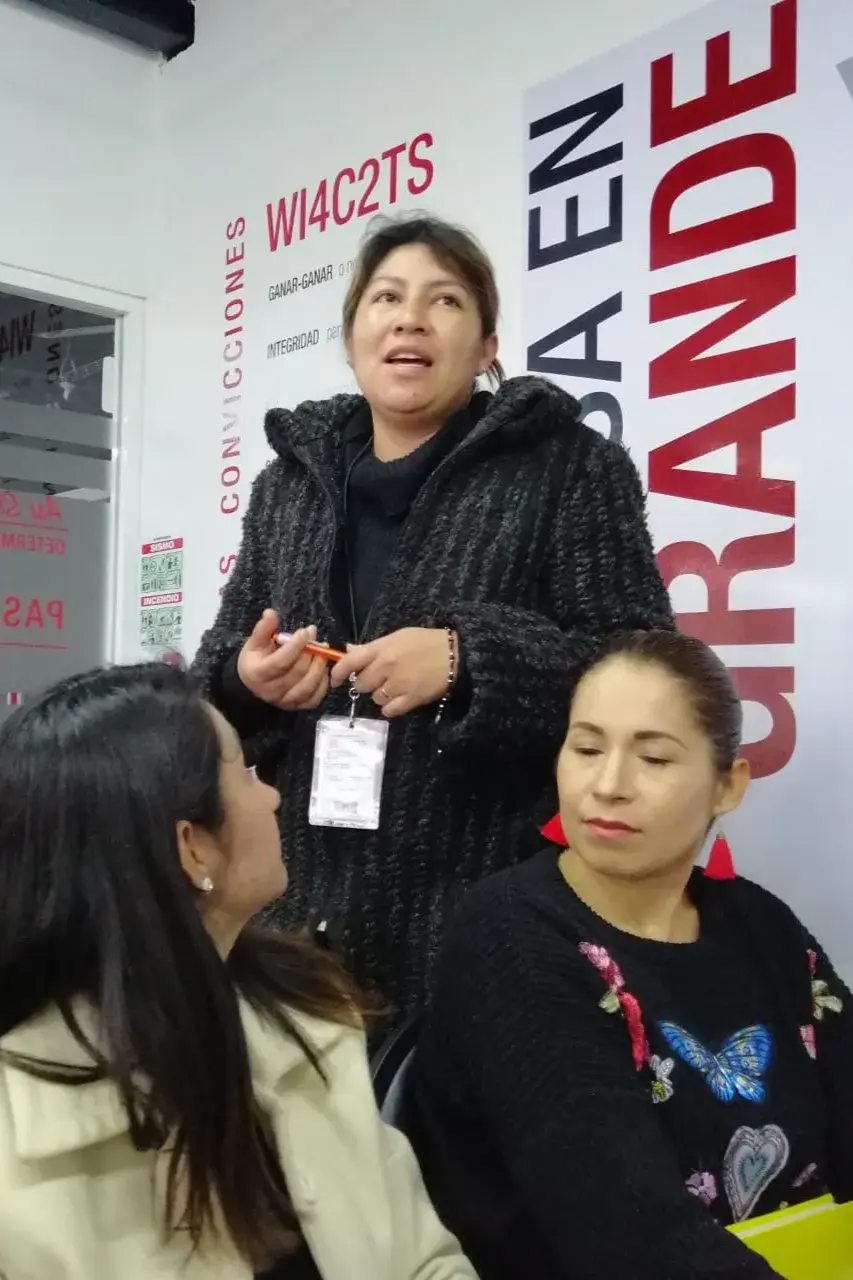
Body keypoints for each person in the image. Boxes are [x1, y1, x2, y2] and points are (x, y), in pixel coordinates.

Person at [192, 212, 674, 1027]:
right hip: (295, 914)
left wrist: (466, 663)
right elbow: (221, 655)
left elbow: (643, 671)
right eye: (385, 298)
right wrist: (247, 679)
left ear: (487, 346)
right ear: (351, 338)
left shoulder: (569, 467)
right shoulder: (289, 485)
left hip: (487, 911)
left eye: (444, 301)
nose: (410, 317)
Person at [0, 663, 476, 1280]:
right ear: (191, 846)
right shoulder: (20, 1144)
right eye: (245, 775)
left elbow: (422, 1263)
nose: (273, 794)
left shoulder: (306, 1014)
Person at [404, 629, 853, 1279]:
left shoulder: (760, 926)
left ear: (726, 785)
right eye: (585, 748)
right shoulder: (509, 938)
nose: (608, 784)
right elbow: (633, 1240)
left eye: (654, 759)